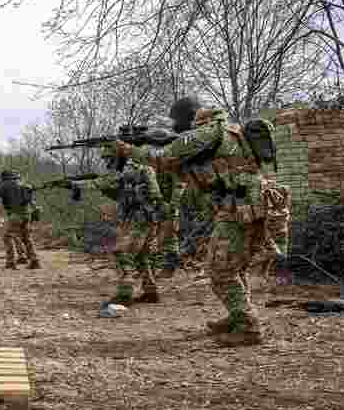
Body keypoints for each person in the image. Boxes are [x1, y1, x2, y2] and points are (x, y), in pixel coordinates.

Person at [103, 96, 284, 346]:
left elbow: (164, 157)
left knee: (219, 270)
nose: (175, 127)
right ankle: (237, 316)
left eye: (176, 122)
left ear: (189, 117)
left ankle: (248, 325)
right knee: (233, 266)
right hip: (245, 205)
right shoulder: (223, 131)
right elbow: (187, 169)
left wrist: (127, 150)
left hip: (240, 208)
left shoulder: (208, 132)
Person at [80, 153, 164, 306]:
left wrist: (78, 185)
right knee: (141, 256)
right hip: (148, 218)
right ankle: (151, 292)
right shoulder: (139, 169)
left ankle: (125, 294)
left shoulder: (129, 170)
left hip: (138, 218)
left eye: (108, 159)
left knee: (122, 252)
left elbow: (104, 183)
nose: (107, 163)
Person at [0, 170, 41, 269]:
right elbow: (30, 200)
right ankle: (34, 261)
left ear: (4, 178)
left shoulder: (7, 185)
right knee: (26, 238)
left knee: (7, 237)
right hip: (26, 215)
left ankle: (10, 261)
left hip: (15, 216)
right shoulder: (24, 184)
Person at [155, 172, 187, 278]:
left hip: (176, 211)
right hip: (170, 209)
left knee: (170, 239)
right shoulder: (170, 175)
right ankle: (176, 264)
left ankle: (170, 267)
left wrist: (173, 216)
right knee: (170, 240)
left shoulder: (178, 179)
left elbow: (177, 195)